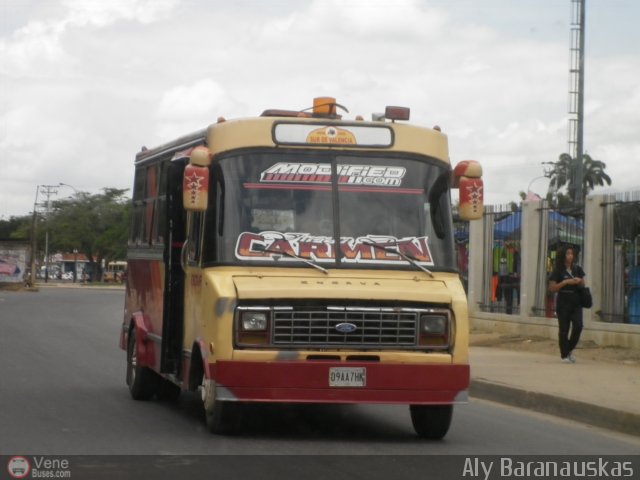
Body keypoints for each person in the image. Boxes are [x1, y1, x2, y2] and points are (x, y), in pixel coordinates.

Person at [548, 245, 585, 363]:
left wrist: (579, 281)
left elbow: (583, 284)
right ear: (563, 255)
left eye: (571, 254)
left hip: (576, 301)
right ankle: (564, 355)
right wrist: (565, 282)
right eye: (568, 254)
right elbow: (552, 288)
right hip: (563, 301)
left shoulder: (577, 269)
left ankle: (568, 349)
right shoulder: (558, 270)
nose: (570, 256)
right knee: (564, 329)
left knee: (578, 326)